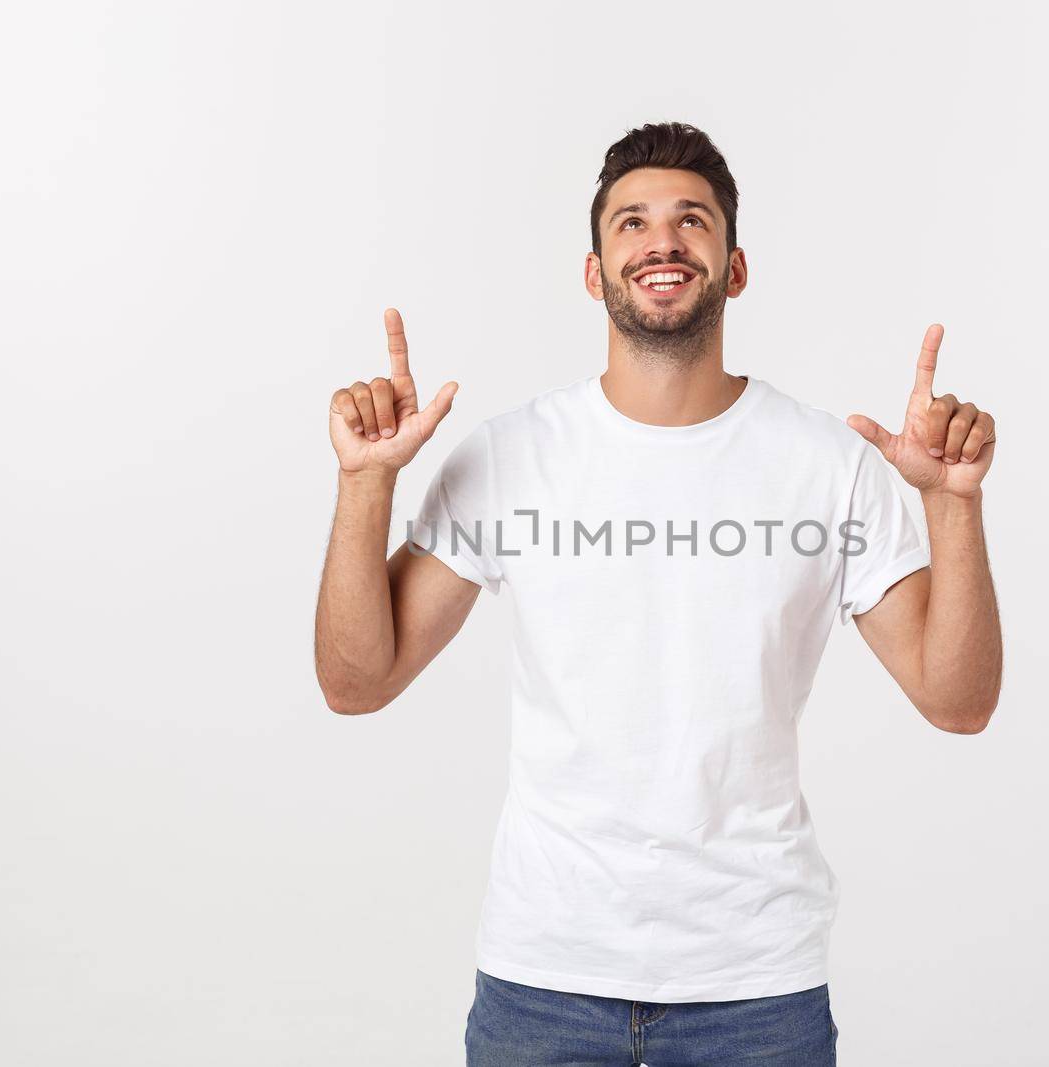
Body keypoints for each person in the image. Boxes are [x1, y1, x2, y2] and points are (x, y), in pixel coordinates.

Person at [314, 121, 1002, 1066]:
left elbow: (957, 700)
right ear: (595, 272)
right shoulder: (514, 455)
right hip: (543, 979)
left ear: (736, 264)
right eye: (631, 223)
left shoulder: (826, 465)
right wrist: (365, 485)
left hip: (755, 987)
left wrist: (951, 506)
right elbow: (357, 681)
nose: (663, 240)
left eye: (693, 220)